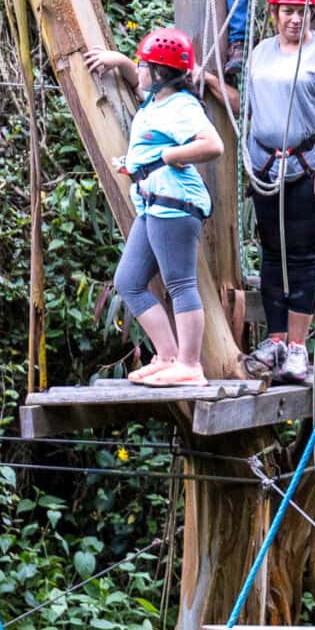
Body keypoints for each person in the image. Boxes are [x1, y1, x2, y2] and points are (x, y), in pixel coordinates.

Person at [82, 27, 224, 386]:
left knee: (180, 284)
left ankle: (189, 365)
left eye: (144, 64)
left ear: (160, 73)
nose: (139, 69)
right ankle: (167, 356)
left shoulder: (182, 107)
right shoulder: (156, 99)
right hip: (152, 204)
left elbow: (212, 145)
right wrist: (118, 61)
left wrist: (170, 155)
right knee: (128, 281)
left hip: (174, 203)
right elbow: (137, 82)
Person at [240, 0, 315, 385]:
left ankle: (298, 347)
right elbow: (248, 106)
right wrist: (207, 81)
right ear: (274, 12)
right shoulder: (260, 53)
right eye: (287, 11)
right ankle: (276, 339)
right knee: (271, 255)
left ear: (311, 12)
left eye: (302, 11)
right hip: (266, 167)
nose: (295, 19)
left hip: (308, 168)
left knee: (301, 258)